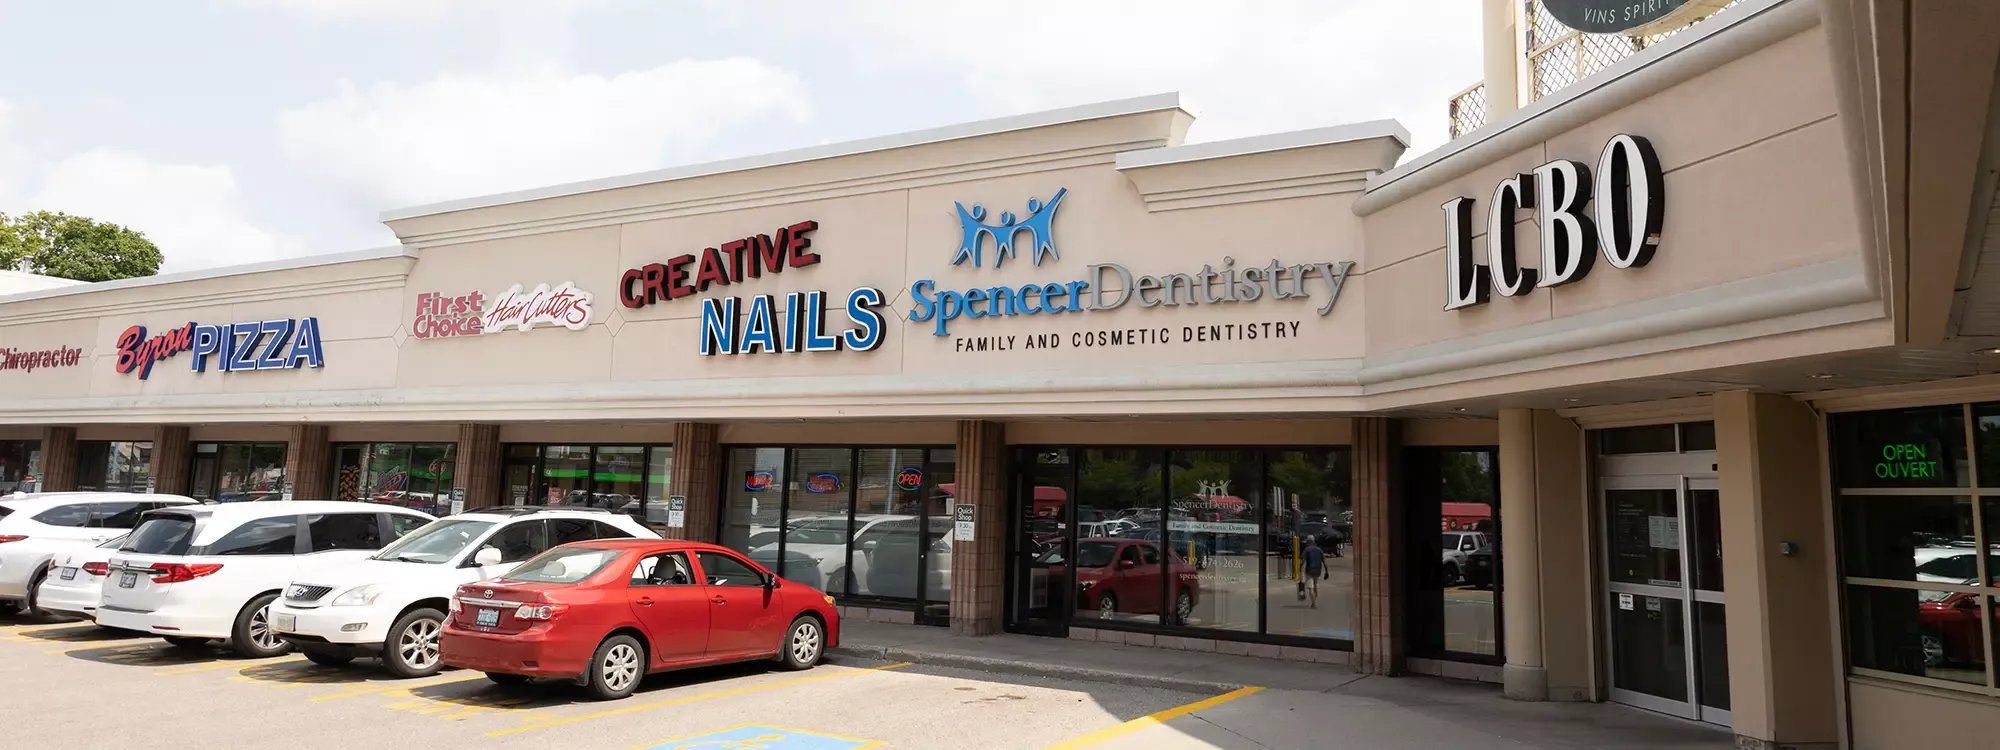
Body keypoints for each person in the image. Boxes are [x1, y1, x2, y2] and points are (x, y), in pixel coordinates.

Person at [1300, 534, 1327, 608]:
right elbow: (1324, 561)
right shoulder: (1319, 549)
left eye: (1307, 541)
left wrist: (1299, 569)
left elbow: (1302, 561)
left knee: (1311, 588)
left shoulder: (1307, 550)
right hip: (1318, 571)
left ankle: (1314, 603)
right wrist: (1326, 572)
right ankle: (1314, 602)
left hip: (1309, 571)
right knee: (1316, 587)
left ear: (1309, 541)